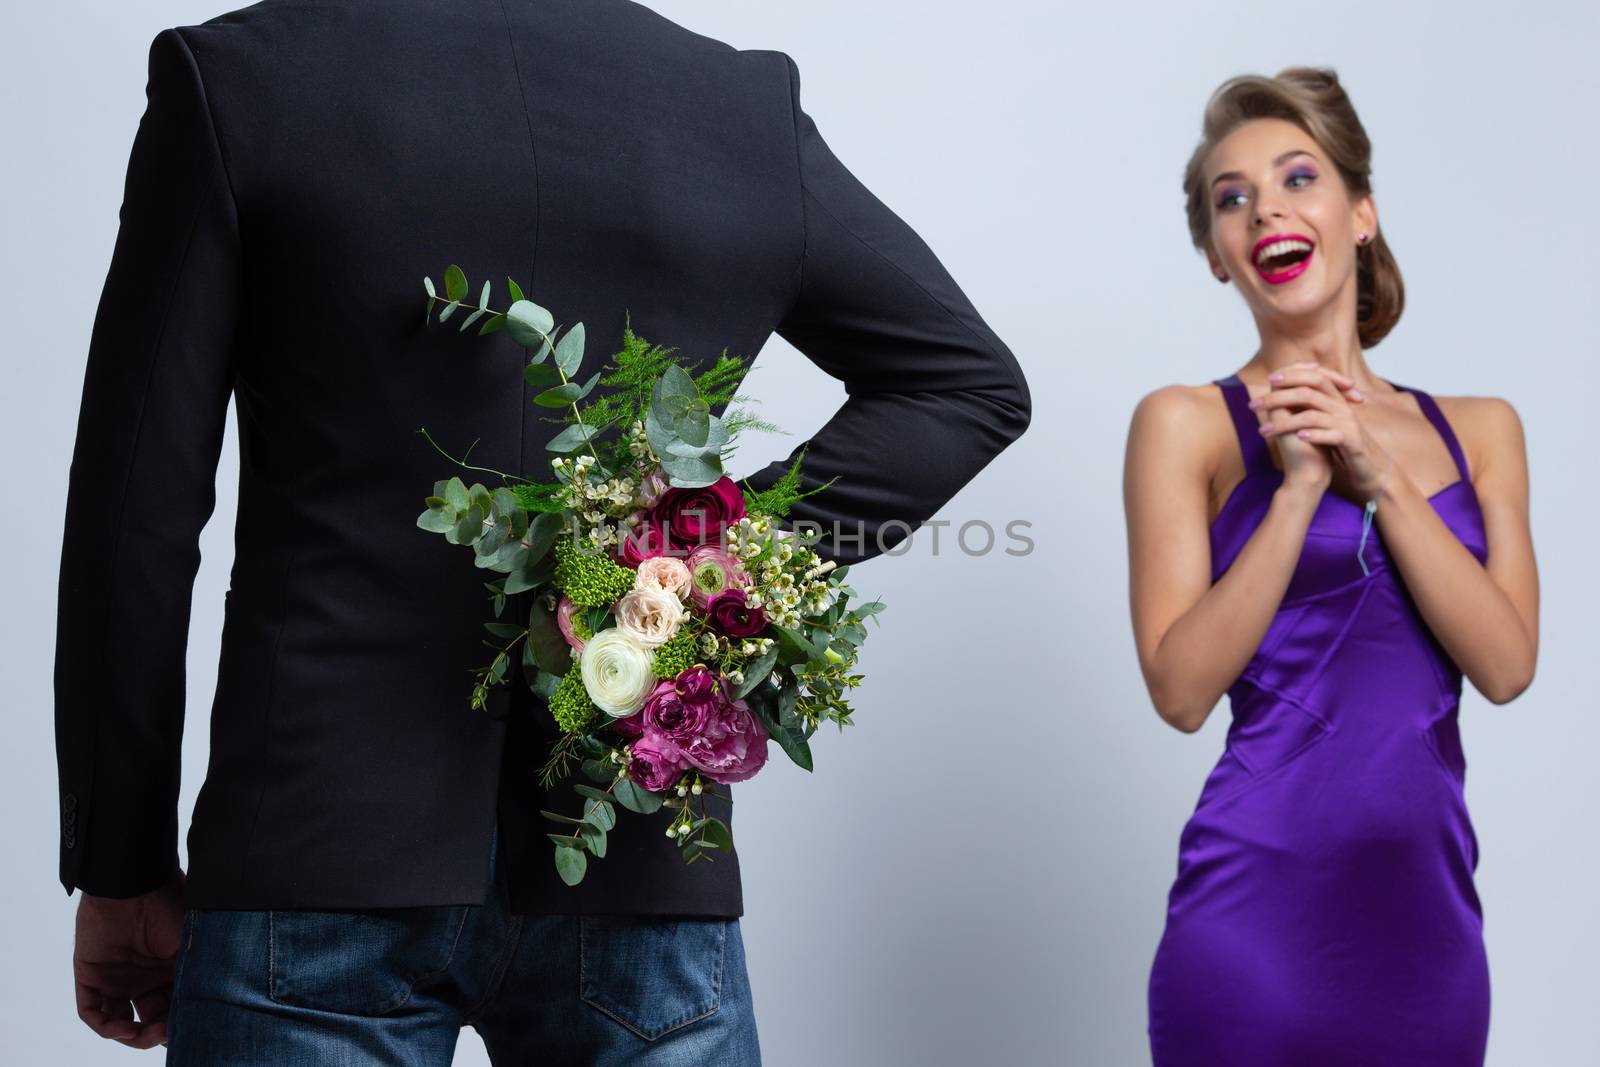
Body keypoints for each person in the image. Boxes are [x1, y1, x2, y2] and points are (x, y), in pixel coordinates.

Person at [56, 1, 1030, 1063]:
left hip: (316, 846)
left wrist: (120, 859)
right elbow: (963, 385)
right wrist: (700, 560)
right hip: (632, 854)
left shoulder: (243, 78)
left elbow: (136, 518)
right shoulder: (737, 105)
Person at [1123, 67, 1538, 1065]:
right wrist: (1299, 486)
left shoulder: (1479, 429)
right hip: (1250, 924)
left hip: (1427, 930)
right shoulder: (1186, 423)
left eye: (1296, 177)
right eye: (1231, 198)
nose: (1264, 204)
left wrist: (1381, 474)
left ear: (1360, 215)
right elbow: (1180, 690)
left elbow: (1505, 664)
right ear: (1222, 256)